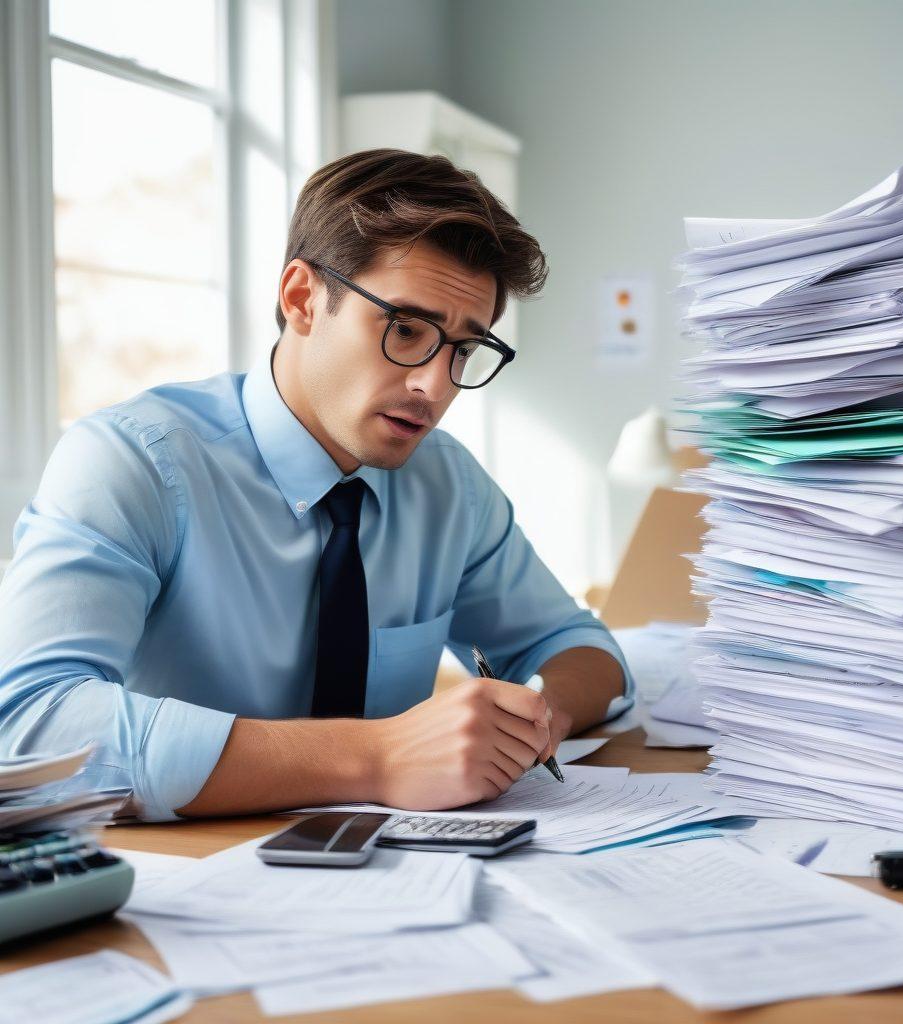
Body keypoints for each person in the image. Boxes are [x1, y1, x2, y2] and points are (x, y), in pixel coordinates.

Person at [0, 149, 633, 821]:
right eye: (405, 330)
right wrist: (378, 758)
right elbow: (29, 726)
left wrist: (532, 716)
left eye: (464, 350)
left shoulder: (450, 486)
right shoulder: (131, 462)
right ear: (302, 298)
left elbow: (580, 648)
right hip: (177, 867)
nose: (435, 385)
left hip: (401, 867)